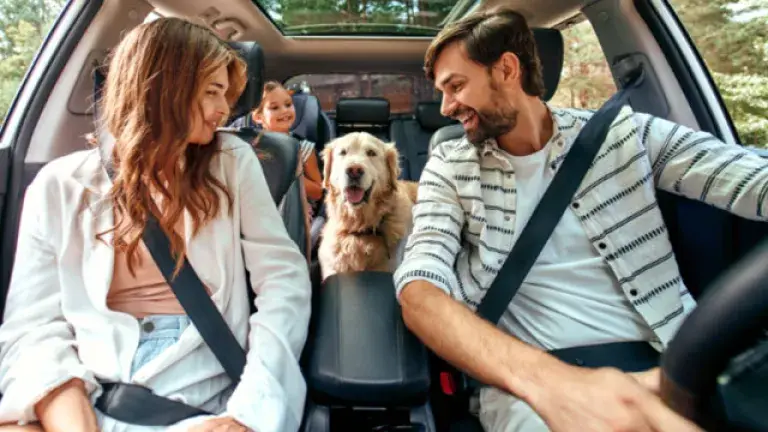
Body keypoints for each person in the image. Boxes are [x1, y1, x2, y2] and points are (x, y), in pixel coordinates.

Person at [394, 7, 768, 432]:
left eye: (456, 86)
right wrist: (555, 386)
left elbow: (747, 178)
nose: (445, 107)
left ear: (507, 69)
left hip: (673, 366)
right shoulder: (449, 163)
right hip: (532, 387)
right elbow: (420, 290)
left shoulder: (626, 135)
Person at [0, 17, 311, 432]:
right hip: (90, 386)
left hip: (200, 393)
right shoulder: (57, 186)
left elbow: (284, 283)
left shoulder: (232, 162)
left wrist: (248, 413)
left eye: (227, 95)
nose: (225, 110)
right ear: (163, 87)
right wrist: (64, 403)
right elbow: (32, 325)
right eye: (212, 92)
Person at [231, 81, 324, 219]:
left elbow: (318, 192)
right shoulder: (251, 147)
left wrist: (289, 175)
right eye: (274, 108)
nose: (285, 110)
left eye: (288, 104)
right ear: (258, 117)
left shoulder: (304, 148)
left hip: (295, 213)